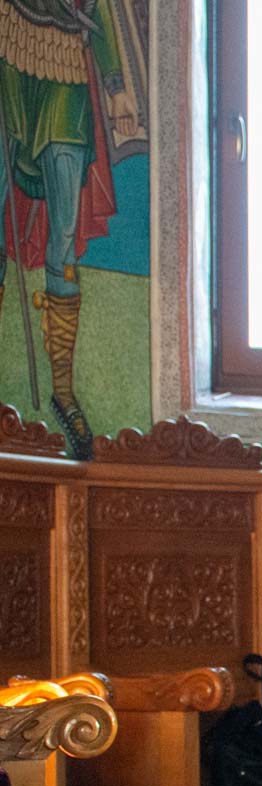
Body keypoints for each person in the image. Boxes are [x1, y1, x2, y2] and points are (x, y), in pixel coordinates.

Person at [0, 0, 142, 460]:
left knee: (63, 232)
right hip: (8, 45)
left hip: (65, 65)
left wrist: (116, 82)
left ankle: (63, 389)